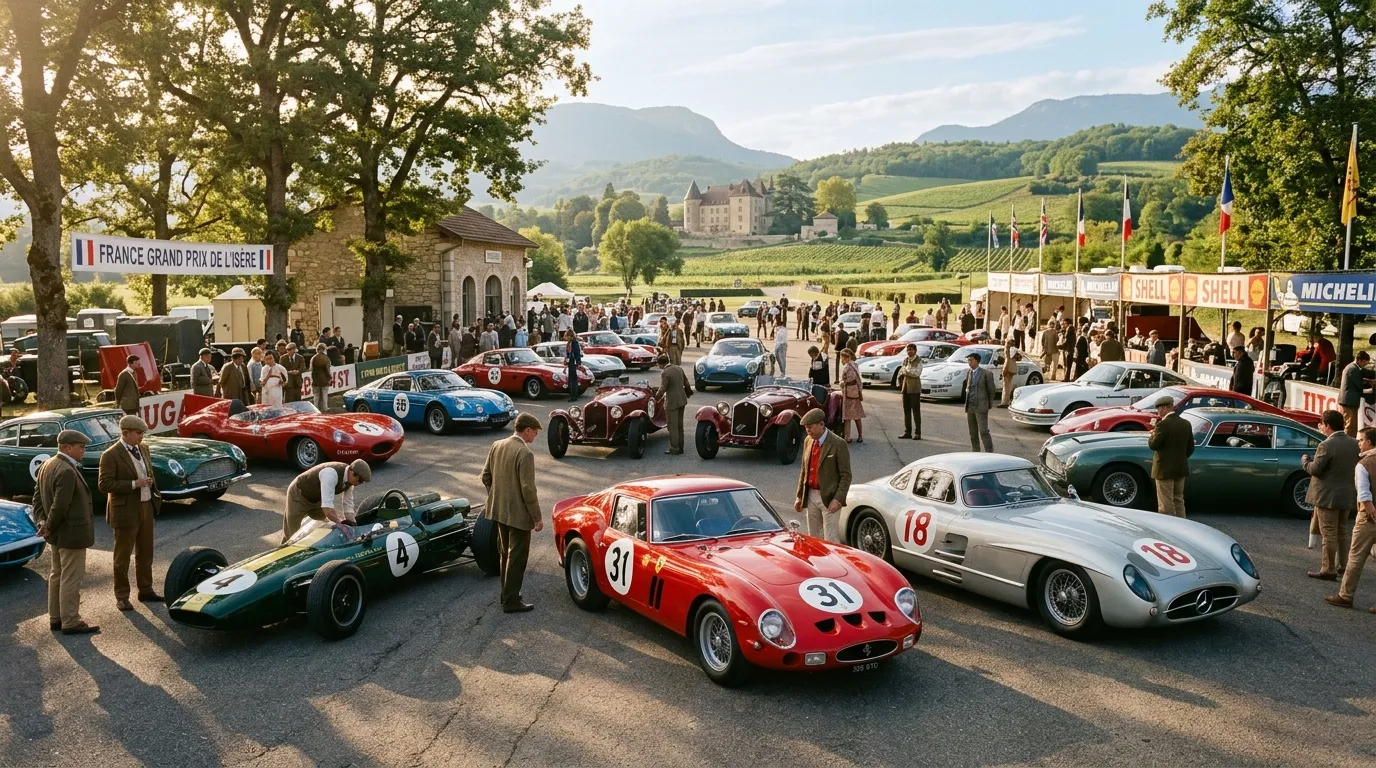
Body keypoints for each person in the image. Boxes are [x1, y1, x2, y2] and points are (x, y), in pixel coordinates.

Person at [33, 429, 99, 634]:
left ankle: (56, 618)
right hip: (70, 534)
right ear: (68, 448)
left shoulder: (47, 465)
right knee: (70, 577)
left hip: (57, 534)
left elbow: (37, 498)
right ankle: (70, 621)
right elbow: (60, 506)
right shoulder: (66, 470)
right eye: (81, 447)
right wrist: (47, 525)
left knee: (57, 575)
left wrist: (42, 522)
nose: (83, 450)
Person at [481, 413, 544, 613]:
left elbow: (485, 476)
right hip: (518, 516)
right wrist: (537, 517)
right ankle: (511, 601)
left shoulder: (497, 445)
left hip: (499, 511)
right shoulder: (525, 454)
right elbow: (528, 489)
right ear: (527, 430)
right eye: (535, 432)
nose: (535, 436)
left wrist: (495, 496)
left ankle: (506, 594)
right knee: (517, 558)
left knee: (505, 554)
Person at [98, 415, 162, 610]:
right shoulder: (110, 454)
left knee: (146, 553)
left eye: (143, 433)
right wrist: (134, 484)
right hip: (125, 511)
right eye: (138, 433)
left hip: (146, 506)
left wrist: (150, 486)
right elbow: (104, 484)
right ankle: (122, 596)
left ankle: (146, 590)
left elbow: (148, 471)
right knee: (122, 557)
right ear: (125, 433)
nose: (142, 436)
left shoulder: (143, 448)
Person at [1302, 410, 1358, 580]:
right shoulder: (1354, 443)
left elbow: (1315, 469)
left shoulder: (1326, 445)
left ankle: (1328, 569)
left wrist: (1305, 461)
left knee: (1329, 533)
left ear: (1327, 425)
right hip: (1347, 494)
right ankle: (1343, 565)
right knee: (1342, 531)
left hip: (1327, 496)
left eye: (1322, 424)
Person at [1326, 427, 1376, 611]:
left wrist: (1371, 511)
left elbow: (1364, 495)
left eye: (1360, 440)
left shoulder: (1364, 464)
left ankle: (1345, 596)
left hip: (1368, 518)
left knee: (1356, 557)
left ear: (1369, 442)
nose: (1358, 444)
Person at [792, 407, 851, 542]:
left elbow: (846, 475)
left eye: (810, 427)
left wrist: (838, 499)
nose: (808, 431)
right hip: (811, 496)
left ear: (821, 425)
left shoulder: (838, 443)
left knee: (831, 539)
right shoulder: (808, 440)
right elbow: (804, 470)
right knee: (813, 538)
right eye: (806, 428)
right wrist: (799, 496)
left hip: (830, 498)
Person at [282, 459, 371, 542]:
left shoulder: (349, 482)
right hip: (298, 495)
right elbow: (328, 509)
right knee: (292, 534)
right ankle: (283, 550)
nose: (359, 483)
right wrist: (341, 527)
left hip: (317, 499)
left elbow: (348, 506)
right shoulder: (330, 474)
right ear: (351, 472)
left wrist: (354, 527)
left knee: (323, 527)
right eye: (360, 480)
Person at [1147, 395, 1193, 518]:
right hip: (1180, 468)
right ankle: (1182, 524)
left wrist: (1152, 434)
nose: (1158, 411)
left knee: (1165, 503)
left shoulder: (1163, 425)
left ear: (1166, 408)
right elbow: (1190, 448)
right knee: (1178, 500)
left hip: (1163, 470)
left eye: (1159, 409)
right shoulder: (1186, 423)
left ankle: (1169, 526)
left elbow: (1153, 445)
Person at [656, 354, 692, 454]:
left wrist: (656, 398)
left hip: (672, 402)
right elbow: (686, 383)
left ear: (661, 364)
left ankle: (674, 448)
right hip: (682, 400)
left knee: (672, 426)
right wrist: (689, 393)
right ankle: (681, 447)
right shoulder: (678, 368)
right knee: (680, 425)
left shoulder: (665, 372)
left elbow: (663, 388)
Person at [964, 352, 996, 451]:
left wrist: (988, 404)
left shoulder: (986, 374)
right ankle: (976, 451)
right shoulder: (969, 373)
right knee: (972, 432)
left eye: (971, 360)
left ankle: (989, 452)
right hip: (970, 407)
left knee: (983, 431)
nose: (969, 362)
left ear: (977, 361)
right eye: (968, 360)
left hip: (981, 406)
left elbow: (991, 390)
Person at [1339, 351, 1372, 436]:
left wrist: (1366, 381)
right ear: (1360, 360)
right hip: (1350, 402)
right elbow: (1359, 385)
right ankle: (1349, 442)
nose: (1365, 364)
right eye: (1365, 362)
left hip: (1347, 400)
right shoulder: (1354, 369)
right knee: (1351, 426)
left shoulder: (1351, 367)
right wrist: (1370, 389)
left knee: (1349, 424)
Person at [838, 349, 864, 443]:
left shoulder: (847, 367)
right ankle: (859, 436)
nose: (841, 360)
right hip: (855, 392)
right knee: (857, 416)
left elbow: (846, 380)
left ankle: (847, 437)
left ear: (844, 357)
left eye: (841, 357)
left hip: (848, 392)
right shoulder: (854, 365)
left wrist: (841, 383)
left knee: (848, 416)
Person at [898, 343, 922, 440]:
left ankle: (917, 432)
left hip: (914, 389)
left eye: (911, 350)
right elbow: (901, 371)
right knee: (906, 410)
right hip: (906, 388)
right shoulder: (906, 360)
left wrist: (906, 372)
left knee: (916, 411)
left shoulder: (918, 360)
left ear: (915, 351)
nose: (909, 352)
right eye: (908, 350)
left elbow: (917, 373)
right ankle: (907, 431)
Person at [310, 343, 331, 412]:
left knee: (316, 395)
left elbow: (311, 369)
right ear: (322, 349)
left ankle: (315, 408)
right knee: (324, 394)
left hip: (315, 380)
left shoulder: (313, 358)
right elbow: (327, 370)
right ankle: (325, 407)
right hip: (324, 379)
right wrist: (329, 378)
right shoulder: (326, 358)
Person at [565, 330, 583, 402]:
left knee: (573, 380)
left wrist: (578, 362)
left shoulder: (574, 343)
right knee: (571, 379)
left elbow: (577, 353)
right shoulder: (569, 343)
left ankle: (574, 396)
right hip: (570, 361)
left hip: (573, 361)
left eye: (567, 336)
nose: (566, 337)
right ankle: (573, 395)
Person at [1001, 343, 1021, 408]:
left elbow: (1007, 361)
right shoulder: (1014, 350)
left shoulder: (1008, 351)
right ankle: (1007, 401)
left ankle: (1005, 402)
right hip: (1012, 368)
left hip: (1008, 369)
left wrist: (1004, 370)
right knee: (1009, 386)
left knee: (1006, 386)